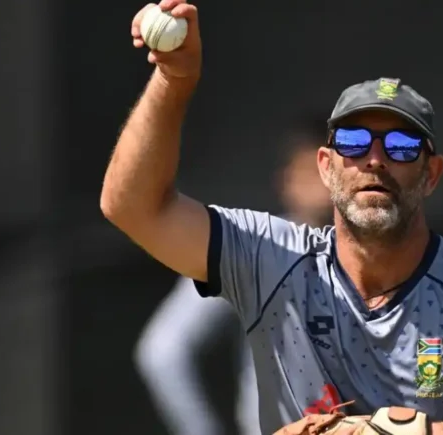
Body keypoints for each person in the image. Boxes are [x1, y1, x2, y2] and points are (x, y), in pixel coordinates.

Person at [102, 1, 443, 434]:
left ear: (431, 174)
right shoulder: (270, 257)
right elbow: (132, 208)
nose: (374, 160)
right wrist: (174, 78)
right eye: (352, 141)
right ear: (326, 167)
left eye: (400, 145)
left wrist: (440, 432)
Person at [133, 120, 332, 435]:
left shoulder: (397, 255)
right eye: (311, 171)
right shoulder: (251, 249)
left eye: (333, 171)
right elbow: (162, 351)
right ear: (286, 180)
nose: (324, 185)